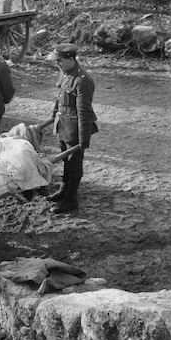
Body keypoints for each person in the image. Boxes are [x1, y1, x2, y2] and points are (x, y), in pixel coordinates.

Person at [47, 43, 98, 214]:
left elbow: (84, 112)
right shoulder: (65, 73)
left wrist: (84, 139)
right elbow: (59, 97)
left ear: (70, 59)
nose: (57, 64)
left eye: (59, 61)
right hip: (63, 126)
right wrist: (53, 115)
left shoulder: (83, 80)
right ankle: (64, 190)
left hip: (75, 130)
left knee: (74, 165)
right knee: (66, 162)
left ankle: (71, 200)